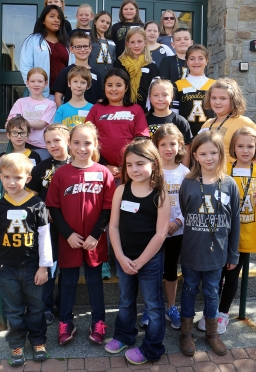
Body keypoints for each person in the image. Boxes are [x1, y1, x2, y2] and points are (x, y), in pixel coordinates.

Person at [198, 127, 256, 334]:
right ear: (232, 148)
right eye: (240, 146)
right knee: (215, 275)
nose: (245, 150)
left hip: (245, 235)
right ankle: (210, 312)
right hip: (220, 233)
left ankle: (223, 314)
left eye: (250, 146)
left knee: (232, 276)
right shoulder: (224, 169)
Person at [45, 122, 116, 346]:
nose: (82, 147)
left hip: (95, 240)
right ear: (69, 143)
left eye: (87, 143)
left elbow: (108, 206)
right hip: (69, 239)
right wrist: (67, 234)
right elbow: (53, 207)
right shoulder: (61, 173)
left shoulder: (103, 172)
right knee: (67, 281)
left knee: (95, 281)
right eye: (76, 142)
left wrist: (96, 234)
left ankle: (98, 322)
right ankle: (66, 322)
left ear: (95, 144)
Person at [104, 138, 170, 365]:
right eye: (129, 164)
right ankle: (124, 335)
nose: (134, 169)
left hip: (149, 261)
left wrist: (141, 261)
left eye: (140, 163)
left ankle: (152, 348)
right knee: (125, 300)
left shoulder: (160, 194)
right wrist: (120, 257)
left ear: (154, 163)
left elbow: (161, 234)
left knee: (153, 305)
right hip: (124, 258)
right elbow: (113, 226)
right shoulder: (121, 190)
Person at [179, 130, 240, 356]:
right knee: (189, 290)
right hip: (192, 251)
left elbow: (234, 221)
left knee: (213, 292)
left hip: (217, 254)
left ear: (221, 154)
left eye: (213, 152)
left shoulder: (230, 184)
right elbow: (186, 211)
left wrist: (233, 255)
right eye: (203, 153)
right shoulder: (188, 183)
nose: (209, 157)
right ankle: (186, 333)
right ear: (195, 155)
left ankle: (212, 333)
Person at [86, 68, 149, 279]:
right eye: (110, 85)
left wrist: (127, 167)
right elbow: (87, 140)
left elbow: (141, 140)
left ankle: (128, 257)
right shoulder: (96, 109)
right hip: (102, 172)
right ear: (104, 87)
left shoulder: (136, 109)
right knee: (100, 214)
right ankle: (102, 260)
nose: (114, 89)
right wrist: (103, 165)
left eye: (118, 85)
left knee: (127, 215)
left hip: (130, 173)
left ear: (126, 87)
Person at [0, 153, 53, 367]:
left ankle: (38, 341)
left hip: (32, 266)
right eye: (6, 177)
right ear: (0, 177)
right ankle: (16, 343)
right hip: (7, 267)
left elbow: (45, 237)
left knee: (36, 307)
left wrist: (44, 267)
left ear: (27, 178)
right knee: (13, 309)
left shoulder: (36, 204)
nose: (11, 182)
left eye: (17, 177)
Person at [139, 124, 189, 330]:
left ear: (180, 146)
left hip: (177, 230)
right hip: (154, 231)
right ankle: (150, 308)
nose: (168, 149)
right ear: (155, 146)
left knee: (170, 270)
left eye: (173, 144)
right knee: (152, 270)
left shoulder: (186, 173)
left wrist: (177, 222)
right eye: (163, 144)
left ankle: (170, 306)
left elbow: (191, 204)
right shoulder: (151, 173)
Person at [27, 123, 72, 325]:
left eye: (57, 140)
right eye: (48, 142)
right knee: (49, 266)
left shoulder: (76, 166)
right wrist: (43, 212)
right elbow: (33, 198)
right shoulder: (41, 168)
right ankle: (45, 306)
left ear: (68, 141)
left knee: (68, 268)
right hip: (48, 227)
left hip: (71, 227)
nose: (52, 145)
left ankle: (64, 305)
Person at [200, 78, 256, 163]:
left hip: (233, 174)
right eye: (213, 98)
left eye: (223, 98)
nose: (217, 102)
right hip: (209, 173)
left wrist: (252, 169)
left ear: (233, 100)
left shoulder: (243, 122)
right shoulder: (206, 124)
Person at [20, 5, 73, 100]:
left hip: (64, 96)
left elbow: (73, 67)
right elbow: (26, 67)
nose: (56, 20)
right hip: (41, 96)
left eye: (59, 18)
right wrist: (35, 90)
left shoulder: (67, 43)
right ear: (43, 20)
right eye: (52, 16)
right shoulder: (32, 40)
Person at [7, 67, 57, 160]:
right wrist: (13, 124)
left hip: (41, 146)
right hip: (20, 144)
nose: (36, 84)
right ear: (27, 83)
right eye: (33, 81)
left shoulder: (50, 104)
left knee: (39, 172)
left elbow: (41, 124)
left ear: (46, 84)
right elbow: (10, 123)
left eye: (40, 81)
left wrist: (20, 124)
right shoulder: (20, 102)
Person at [146, 78, 192, 167]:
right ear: (150, 97)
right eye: (155, 95)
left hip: (174, 170)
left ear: (171, 97)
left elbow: (186, 148)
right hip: (151, 170)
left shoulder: (180, 121)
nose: (160, 99)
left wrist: (185, 172)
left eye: (165, 95)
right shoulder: (144, 120)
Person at [172, 44, 215, 137]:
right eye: (192, 59)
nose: (196, 62)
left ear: (206, 61)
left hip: (209, 135)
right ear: (187, 61)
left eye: (200, 58)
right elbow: (174, 114)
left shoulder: (214, 85)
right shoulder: (178, 85)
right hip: (185, 135)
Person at [53, 31, 103, 107]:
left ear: (90, 48)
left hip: (90, 115)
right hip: (70, 117)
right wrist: (62, 113)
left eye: (85, 46)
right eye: (78, 47)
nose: (82, 50)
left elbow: (99, 99)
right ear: (71, 49)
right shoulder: (65, 72)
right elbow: (58, 96)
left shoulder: (97, 74)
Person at [114, 27, 159, 112]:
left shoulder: (152, 66)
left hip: (145, 112)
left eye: (139, 41)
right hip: (122, 109)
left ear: (145, 43)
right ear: (128, 44)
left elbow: (155, 91)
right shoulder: (120, 64)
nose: (136, 45)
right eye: (132, 42)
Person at [0, 116, 41, 188]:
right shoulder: (4, 156)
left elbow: (39, 180)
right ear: (8, 135)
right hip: (11, 195)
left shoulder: (35, 156)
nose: (19, 136)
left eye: (22, 133)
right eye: (15, 133)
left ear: (28, 135)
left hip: (30, 196)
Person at [89, 11, 116, 83]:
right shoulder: (88, 40)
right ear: (95, 22)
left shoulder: (112, 43)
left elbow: (113, 62)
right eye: (102, 21)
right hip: (91, 79)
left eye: (108, 23)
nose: (105, 24)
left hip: (108, 80)